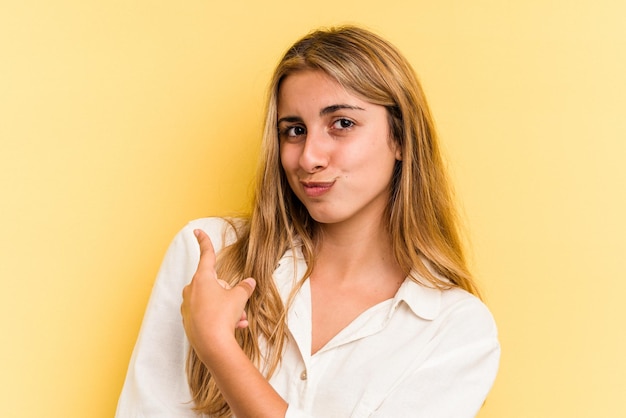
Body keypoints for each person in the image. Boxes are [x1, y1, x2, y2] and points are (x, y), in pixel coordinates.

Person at [116, 25, 500, 418]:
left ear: (400, 138)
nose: (308, 157)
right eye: (294, 131)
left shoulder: (455, 329)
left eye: (342, 124)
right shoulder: (208, 256)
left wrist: (218, 347)